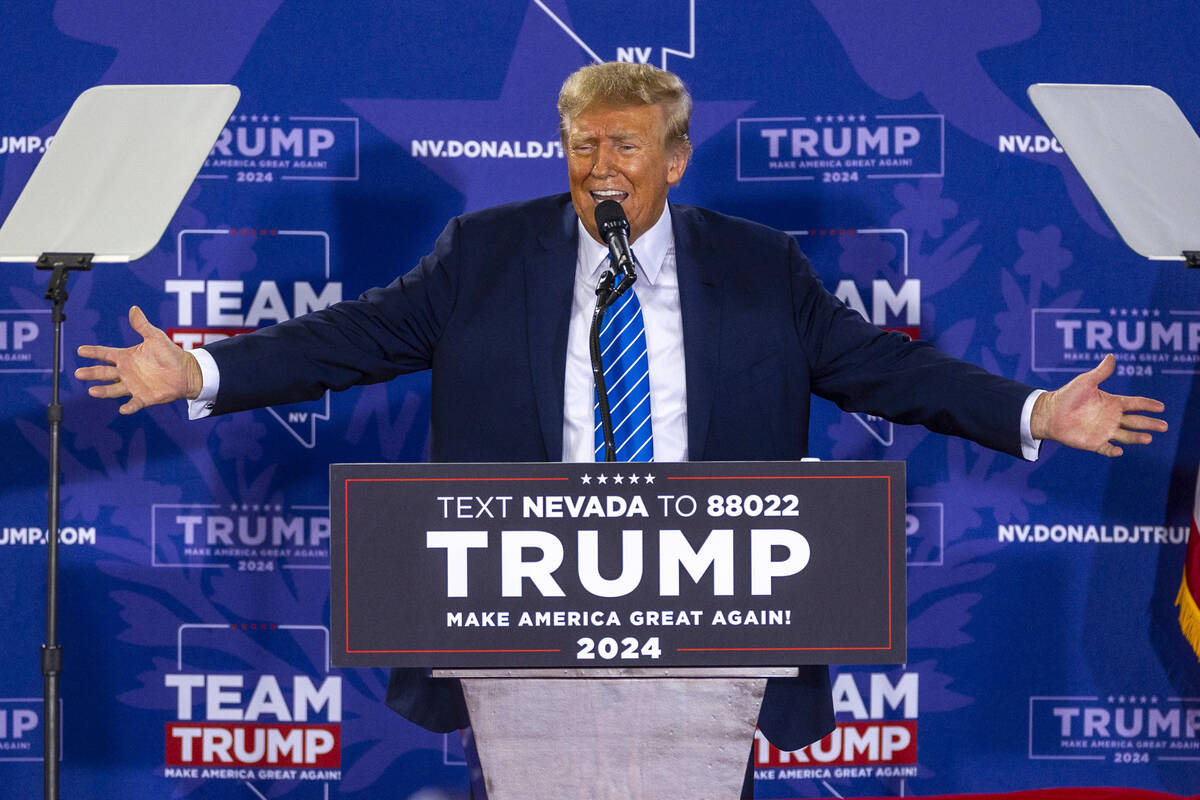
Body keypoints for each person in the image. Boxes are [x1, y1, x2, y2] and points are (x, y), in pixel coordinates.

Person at [76, 61, 1165, 776]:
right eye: (584, 145)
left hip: (713, 597)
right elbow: (349, 338)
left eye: (627, 146)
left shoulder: (756, 263)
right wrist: (203, 374)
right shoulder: (488, 254)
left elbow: (878, 369)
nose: (602, 167)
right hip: (524, 598)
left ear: (675, 160)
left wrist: (1031, 409)